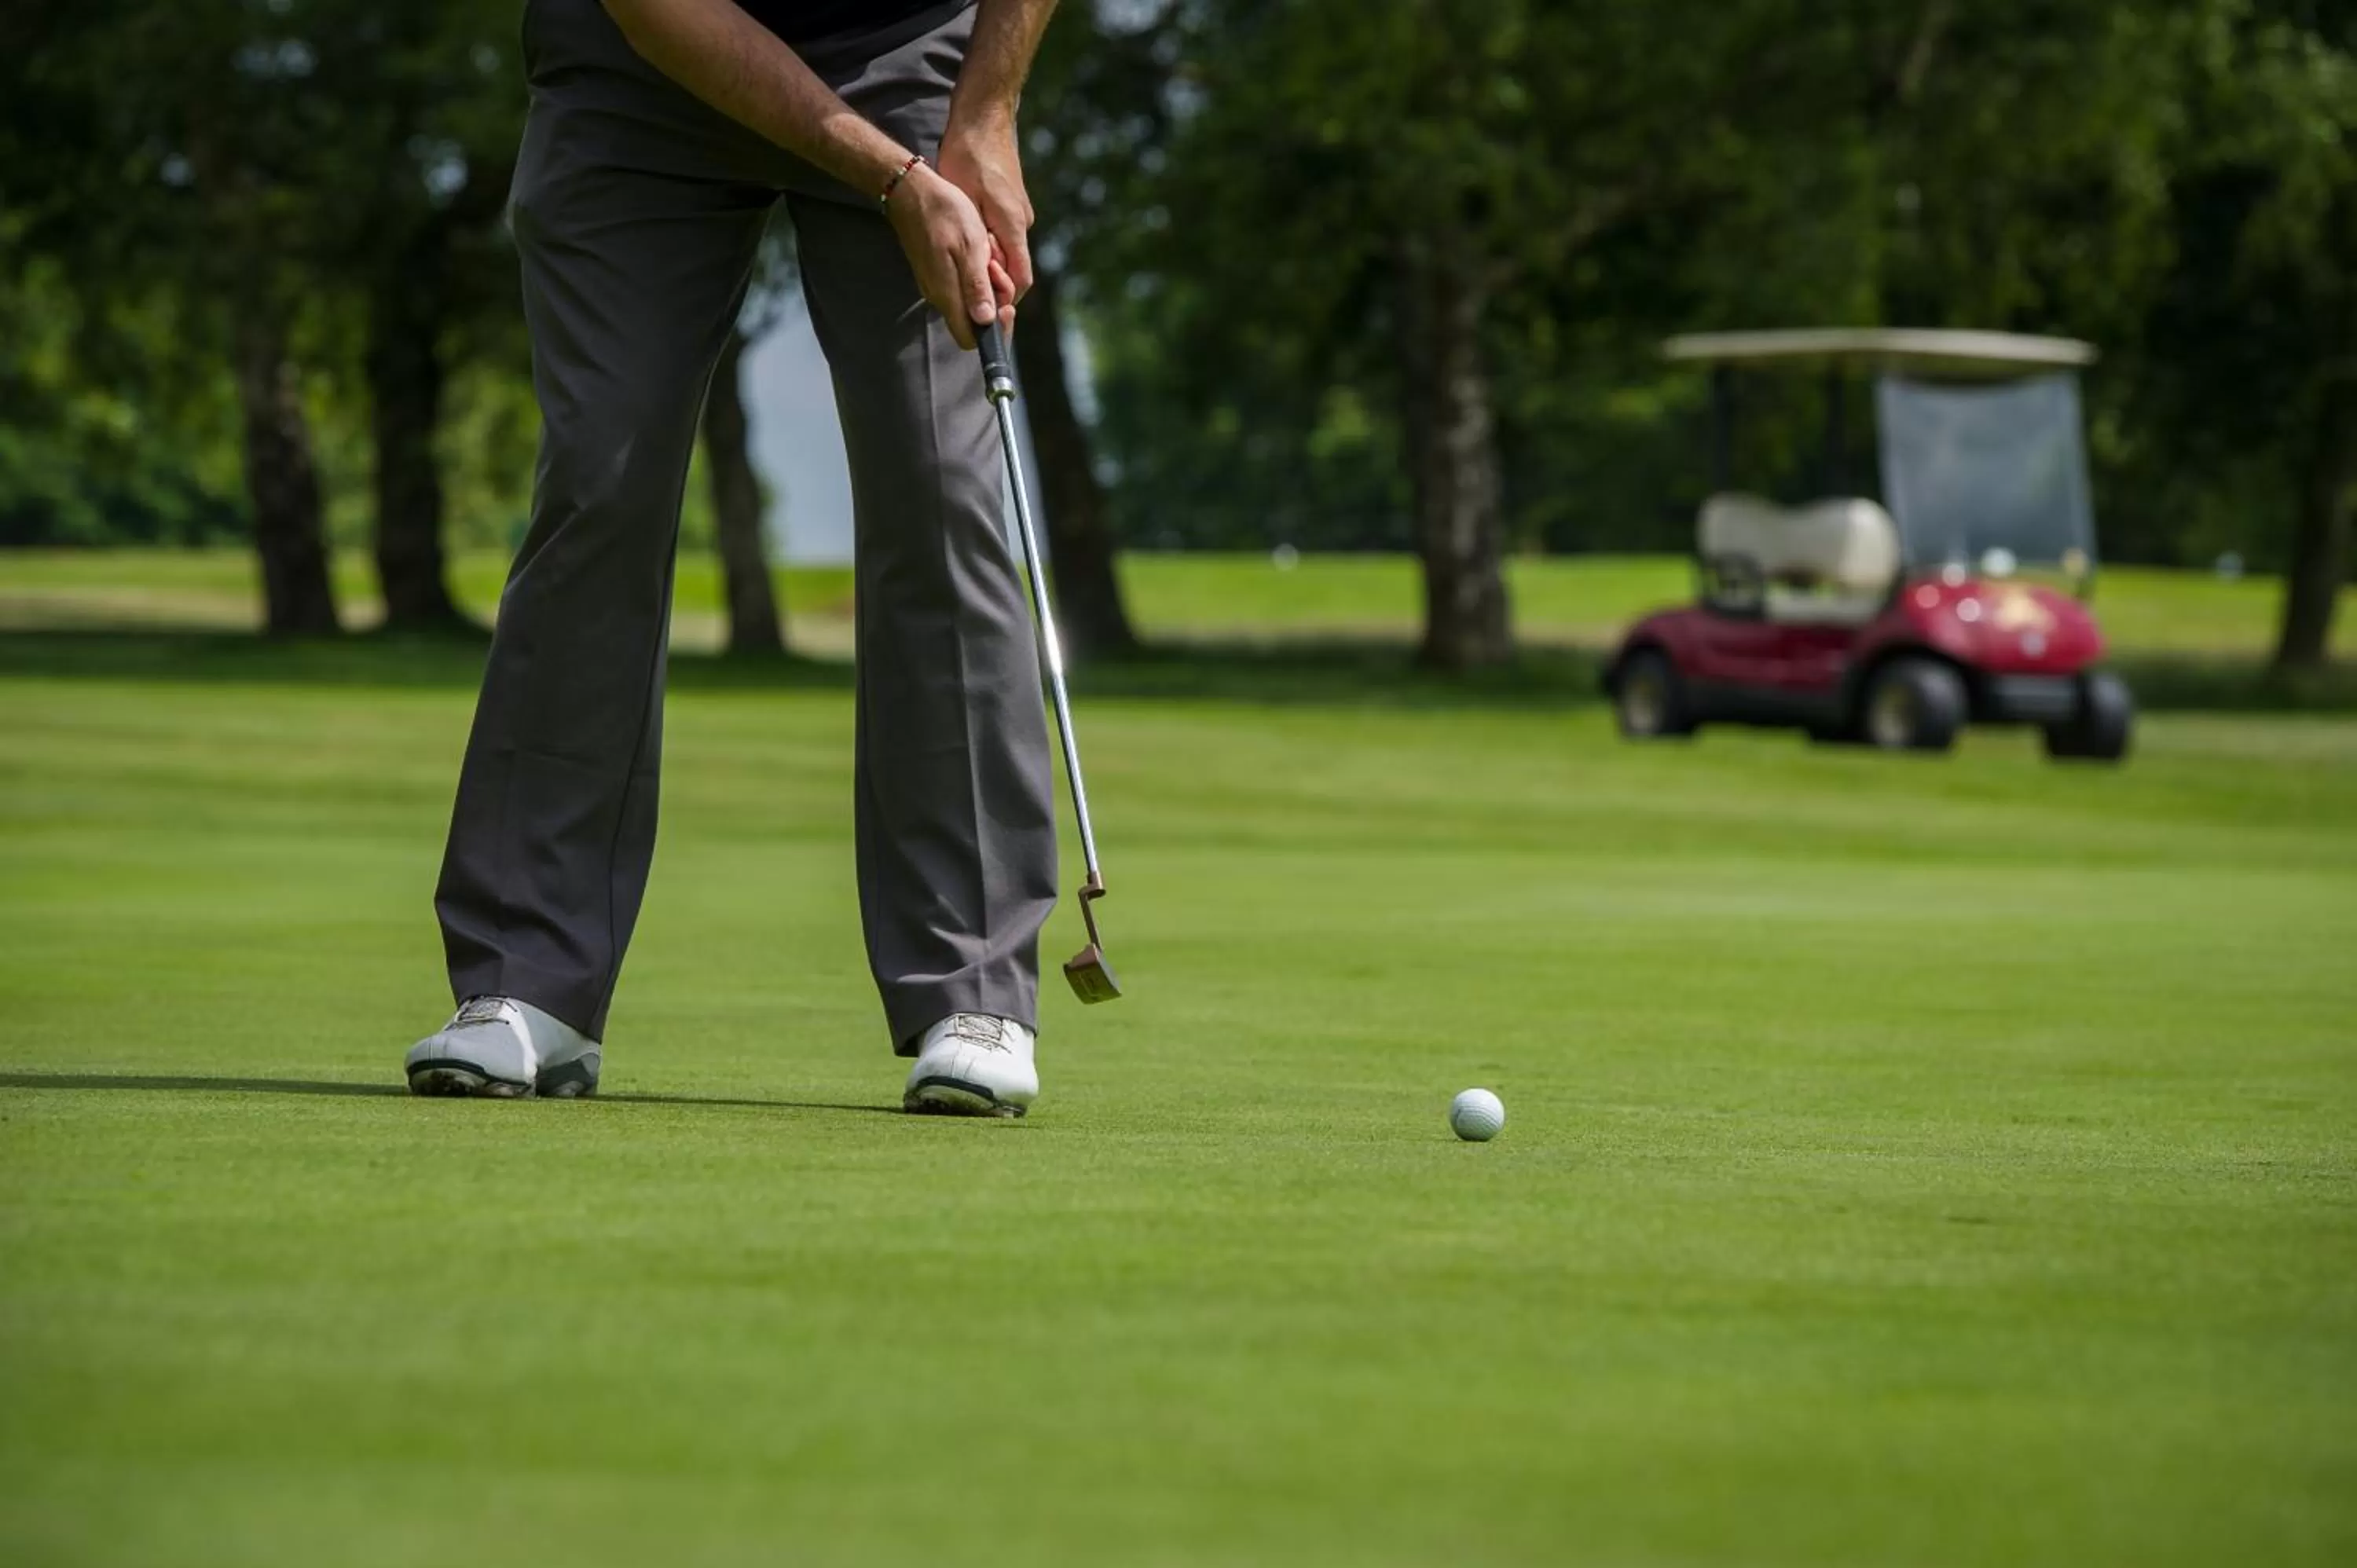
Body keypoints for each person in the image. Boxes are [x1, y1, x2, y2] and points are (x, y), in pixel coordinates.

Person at [402, 0, 1063, 1117]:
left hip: (904, 45)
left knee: (941, 488)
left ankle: (974, 990)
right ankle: (531, 984)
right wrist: (895, 179)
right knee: (601, 482)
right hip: (640, 65)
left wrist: (987, 112)